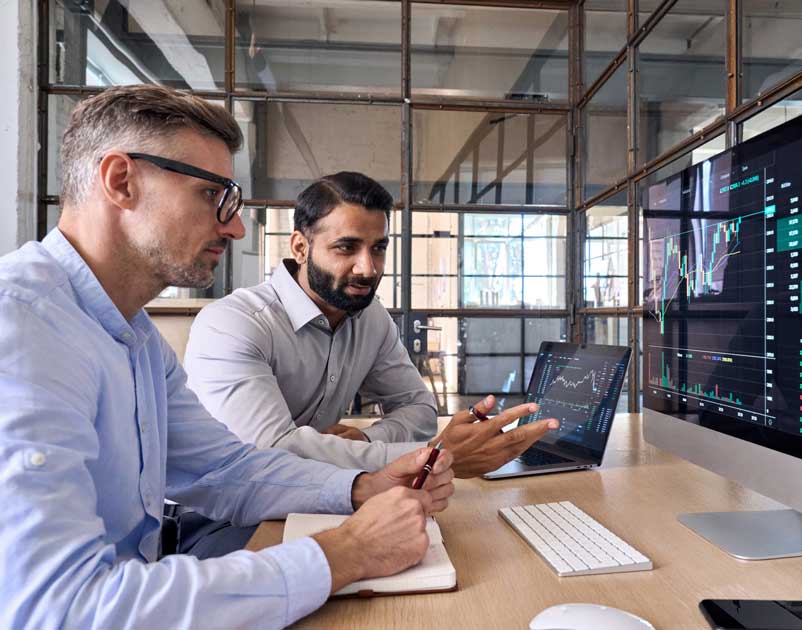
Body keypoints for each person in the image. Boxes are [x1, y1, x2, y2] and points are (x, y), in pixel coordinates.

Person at [0, 84, 455, 629]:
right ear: (122, 181)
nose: (235, 227)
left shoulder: (134, 335)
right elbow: (62, 608)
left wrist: (360, 487)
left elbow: (226, 468)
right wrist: (346, 553)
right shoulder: (22, 328)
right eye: (212, 196)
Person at [184, 172, 560, 475]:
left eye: (378, 248)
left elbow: (419, 408)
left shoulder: (370, 317)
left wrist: (366, 443)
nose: (368, 268)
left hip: (317, 498)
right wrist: (433, 456)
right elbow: (272, 453)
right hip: (218, 519)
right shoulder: (232, 324)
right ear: (300, 247)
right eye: (346, 248)